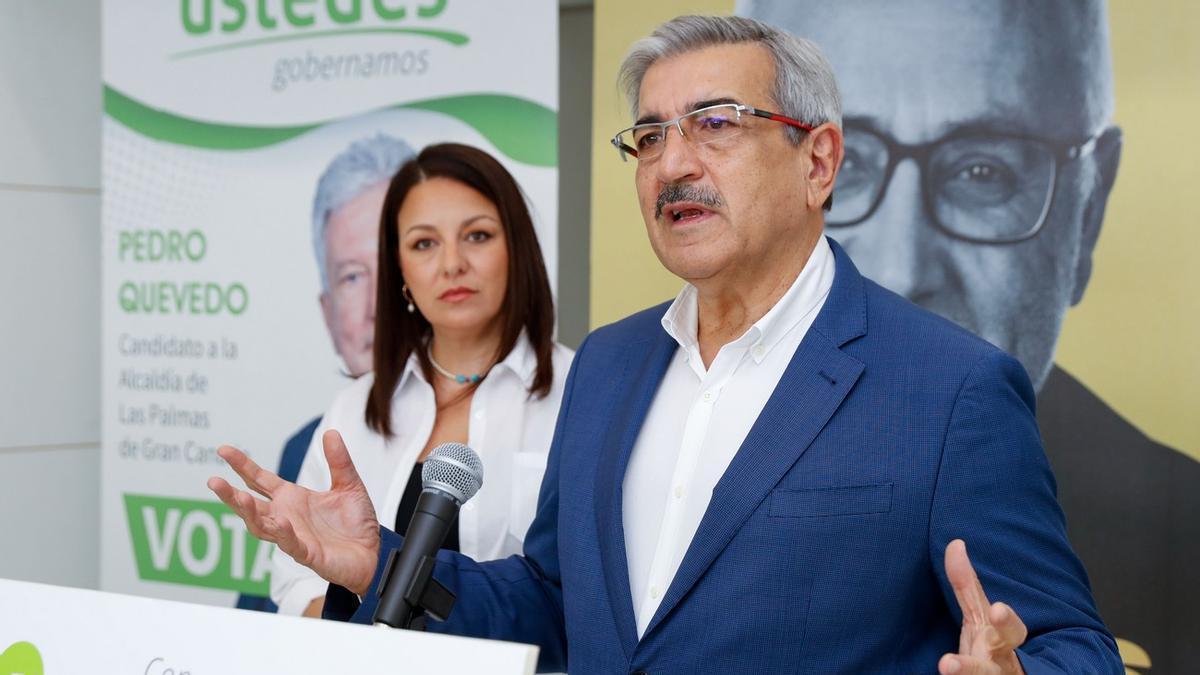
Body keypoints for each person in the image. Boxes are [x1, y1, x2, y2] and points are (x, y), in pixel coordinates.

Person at [210, 16, 1121, 673]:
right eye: (650, 136)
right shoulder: (609, 365)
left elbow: (1073, 645)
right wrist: (382, 562)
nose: (674, 162)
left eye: (717, 125)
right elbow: (552, 603)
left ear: (818, 161)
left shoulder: (952, 388)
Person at [738, 1, 1200, 670]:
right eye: (848, 166)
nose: (903, 268)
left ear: (1089, 206)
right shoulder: (681, 432)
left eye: (983, 172)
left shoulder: (1182, 533)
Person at [269, 142, 574, 617]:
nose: (452, 264)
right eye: (424, 244)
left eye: (477, 236)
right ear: (402, 273)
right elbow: (295, 583)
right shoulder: (356, 405)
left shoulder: (581, 393)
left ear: (517, 248)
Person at [237, 134, 415, 612]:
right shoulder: (306, 446)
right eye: (353, 276)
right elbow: (267, 619)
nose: (377, 306)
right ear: (327, 312)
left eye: (393, 263)